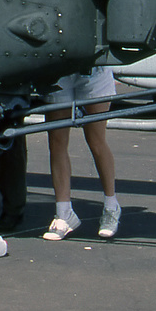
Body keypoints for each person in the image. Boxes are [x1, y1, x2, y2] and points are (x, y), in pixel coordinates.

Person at [42, 67, 121, 241]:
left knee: (96, 140)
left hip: (95, 69)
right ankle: (64, 214)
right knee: (56, 142)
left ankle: (111, 206)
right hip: (59, 67)